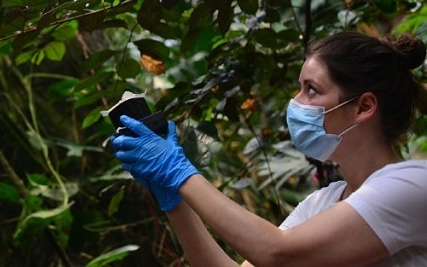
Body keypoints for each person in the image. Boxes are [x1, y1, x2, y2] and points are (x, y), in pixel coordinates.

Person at [112, 32, 427, 266]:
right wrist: (174, 198)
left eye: (311, 90)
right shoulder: (322, 203)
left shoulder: (411, 184)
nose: (296, 102)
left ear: (364, 106)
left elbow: (277, 252)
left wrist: (178, 172)